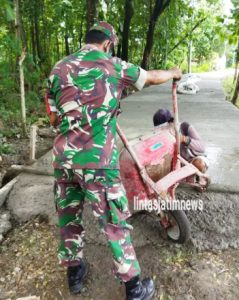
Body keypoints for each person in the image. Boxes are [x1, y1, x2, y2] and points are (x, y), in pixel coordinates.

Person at [46, 21, 182, 300]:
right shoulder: (112, 65)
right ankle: (134, 288)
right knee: (114, 222)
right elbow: (150, 77)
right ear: (107, 44)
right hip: (97, 162)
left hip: (63, 161)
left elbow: (52, 117)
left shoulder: (58, 68)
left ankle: (74, 276)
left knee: (69, 219)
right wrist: (173, 72)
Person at [153, 108, 208, 173]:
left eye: (165, 127)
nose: (163, 130)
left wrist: (185, 139)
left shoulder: (184, 127)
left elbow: (202, 148)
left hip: (191, 159)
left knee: (199, 164)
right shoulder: (160, 136)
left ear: (172, 122)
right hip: (174, 165)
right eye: (160, 128)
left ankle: (194, 177)